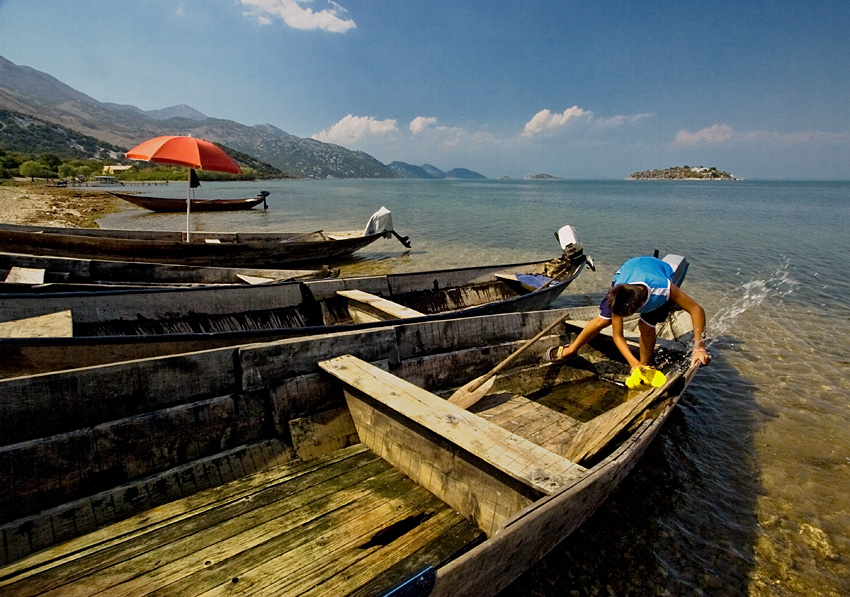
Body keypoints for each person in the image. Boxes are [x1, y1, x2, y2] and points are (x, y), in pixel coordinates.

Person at [547, 255, 711, 370]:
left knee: (646, 326)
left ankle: (645, 364)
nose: (619, 318)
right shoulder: (619, 292)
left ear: (640, 305)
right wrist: (632, 362)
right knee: (603, 320)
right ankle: (572, 349)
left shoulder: (663, 288)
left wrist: (699, 347)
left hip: (658, 272)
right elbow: (618, 336)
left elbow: (697, 310)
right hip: (629, 269)